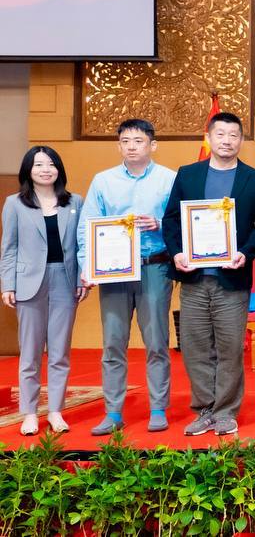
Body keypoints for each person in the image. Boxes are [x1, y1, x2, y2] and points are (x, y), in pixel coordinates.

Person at [163, 112, 255, 437]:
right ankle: (204, 410)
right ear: (209, 137)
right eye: (220, 134)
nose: (226, 140)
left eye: (233, 135)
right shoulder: (188, 174)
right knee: (195, 347)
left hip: (232, 279)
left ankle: (225, 412)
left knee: (229, 347)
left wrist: (245, 253)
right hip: (194, 277)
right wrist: (177, 253)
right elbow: (171, 220)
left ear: (241, 140)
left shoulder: (254, 179)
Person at [78, 119, 177, 436]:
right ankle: (113, 412)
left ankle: (158, 408)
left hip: (154, 266)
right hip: (114, 270)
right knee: (113, 343)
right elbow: (87, 228)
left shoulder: (169, 179)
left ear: (152, 145)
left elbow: (180, 223)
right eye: (125, 141)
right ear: (118, 146)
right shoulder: (103, 181)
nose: (131, 146)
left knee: (156, 342)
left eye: (138, 140)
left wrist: (159, 223)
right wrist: (86, 266)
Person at [1, 146, 86, 436]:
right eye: (38, 165)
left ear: (59, 169)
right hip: (28, 282)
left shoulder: (75, 201)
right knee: (30, 352)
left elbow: (82, 245)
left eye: (51, 164)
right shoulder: (15, 204)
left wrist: (82, 279)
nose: (45, 169)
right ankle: (29, 413)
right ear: (28, 170)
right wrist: (7, 284)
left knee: (60, 351)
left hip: (65, 280)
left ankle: (55, 411)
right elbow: (9, 247)